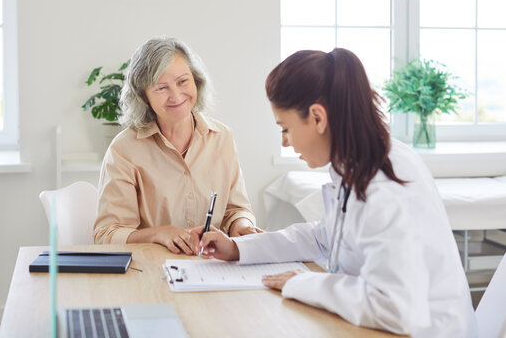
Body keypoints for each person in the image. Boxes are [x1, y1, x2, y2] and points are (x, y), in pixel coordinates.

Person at [191, 49, 477, 337]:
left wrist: (301, 283)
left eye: (285, 128)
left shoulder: (383, 186)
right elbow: (324, 237)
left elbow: (395, 308)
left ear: (317, 118)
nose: (285, 142)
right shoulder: (353, 162)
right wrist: (239, 248)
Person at [94, 37, 261, 254]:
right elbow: (106, 234)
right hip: (149, 272)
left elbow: (237, 210)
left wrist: (242, 225)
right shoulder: (124, 150)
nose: (176, 96)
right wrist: (158, 233)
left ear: (196, 81)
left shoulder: (222, 138)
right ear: (143, 96)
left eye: (183, 81)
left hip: (210, 266)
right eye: (161, 88)